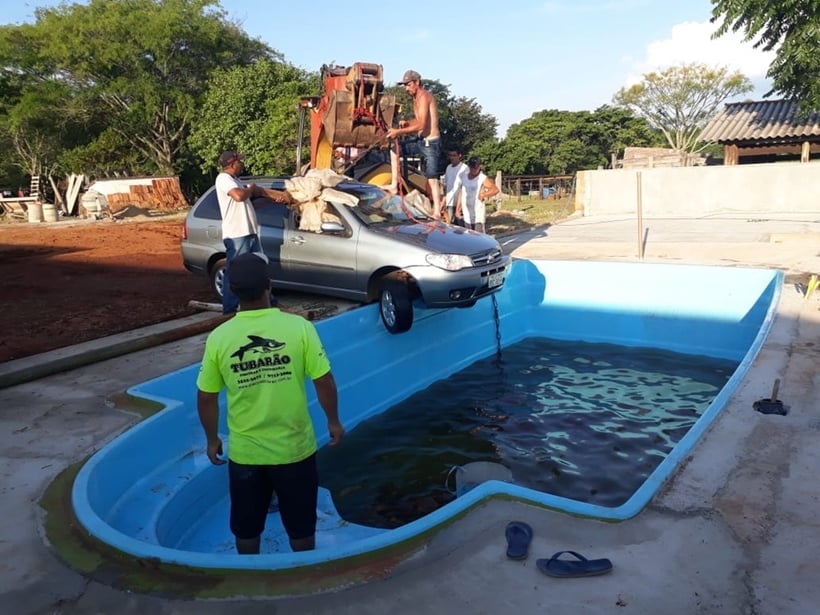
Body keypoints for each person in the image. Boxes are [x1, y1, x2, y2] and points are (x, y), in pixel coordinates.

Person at [196, 252, 345, 555]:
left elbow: (206, 396)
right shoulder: (299, 328)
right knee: (301, 528)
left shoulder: (219, 338)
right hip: (295, 450)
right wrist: (333, 421)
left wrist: (212, 439)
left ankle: (251, 574)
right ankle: (303, 571)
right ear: (269, 286)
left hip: (246, 455)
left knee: (247, 528)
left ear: (232, 291)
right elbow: (324, 380)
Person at [215, 150, 293, 315]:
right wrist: (252, 189)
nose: (242, 164)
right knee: (235, 272)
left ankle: (269, 303)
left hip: (249, 233)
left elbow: (248, 204)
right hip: (237, 235)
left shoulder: (236, 180)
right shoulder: (224, 179)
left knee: (259, 267)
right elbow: (239, 196)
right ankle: (229, 310)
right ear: (231, 164)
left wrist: (272, 200)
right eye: (239, 162)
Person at [385, 70, 442, 218]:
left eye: (408, 85)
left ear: (417, 82)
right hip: (420, 140)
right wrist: (407, 123)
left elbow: (422, 124)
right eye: (404, 85)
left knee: (432, 178)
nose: (406, 88)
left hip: (431, 142)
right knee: (395, 148)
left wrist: (398, 132)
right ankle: (393, 185)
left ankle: (436, 211)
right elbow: (420, 121)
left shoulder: (424, 96)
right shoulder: (415, 98)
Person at [461, 157, 499, 234]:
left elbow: (495, 190)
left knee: (478, 236)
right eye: (471, 168)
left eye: (475, 168)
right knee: (468, 236)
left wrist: (484, 194)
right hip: (466, 213)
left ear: (479, 167)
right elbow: (462, 192)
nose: (473, 170)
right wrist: (458, 208)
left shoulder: (482, 178)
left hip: (477, 214)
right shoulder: (464, 176)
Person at [442, 147, 468, 225]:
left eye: (454, 155)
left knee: (460, 225)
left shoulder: (464, 168)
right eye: (450, 155)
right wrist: (444, 199)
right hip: (449, 201)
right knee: (450, 225)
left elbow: (464, 187)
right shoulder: (448, 168)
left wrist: (459, 207)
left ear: (459, 155)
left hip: (460, 202)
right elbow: (446, 185)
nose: (452, 157)